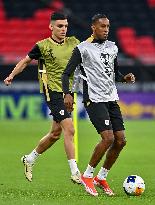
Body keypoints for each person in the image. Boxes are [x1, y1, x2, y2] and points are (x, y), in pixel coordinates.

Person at [62, 13, 135, 196]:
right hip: (93, 98)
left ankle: (101, 177)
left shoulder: (112, 47)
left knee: (121, 141)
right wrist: (68, 94)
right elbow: (66, 73)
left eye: (108, 27)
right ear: (93, 27)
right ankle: (87, 175)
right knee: (108, 138)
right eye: (102, 26)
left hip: (111, 97)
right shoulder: (83, 49)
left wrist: (123, 79)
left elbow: (114, 73)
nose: (106, 30)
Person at [4, 12, 81, 184]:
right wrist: (11, 75)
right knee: (70, 129)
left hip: (68, 92)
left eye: (66, 26)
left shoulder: (74, 42)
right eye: (60, 26)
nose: (63, 29)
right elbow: (25, 61)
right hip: (52, 92)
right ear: (51, 27)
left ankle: (29, 159)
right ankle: (75, 172)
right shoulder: (42, 46)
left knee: (55, 134)